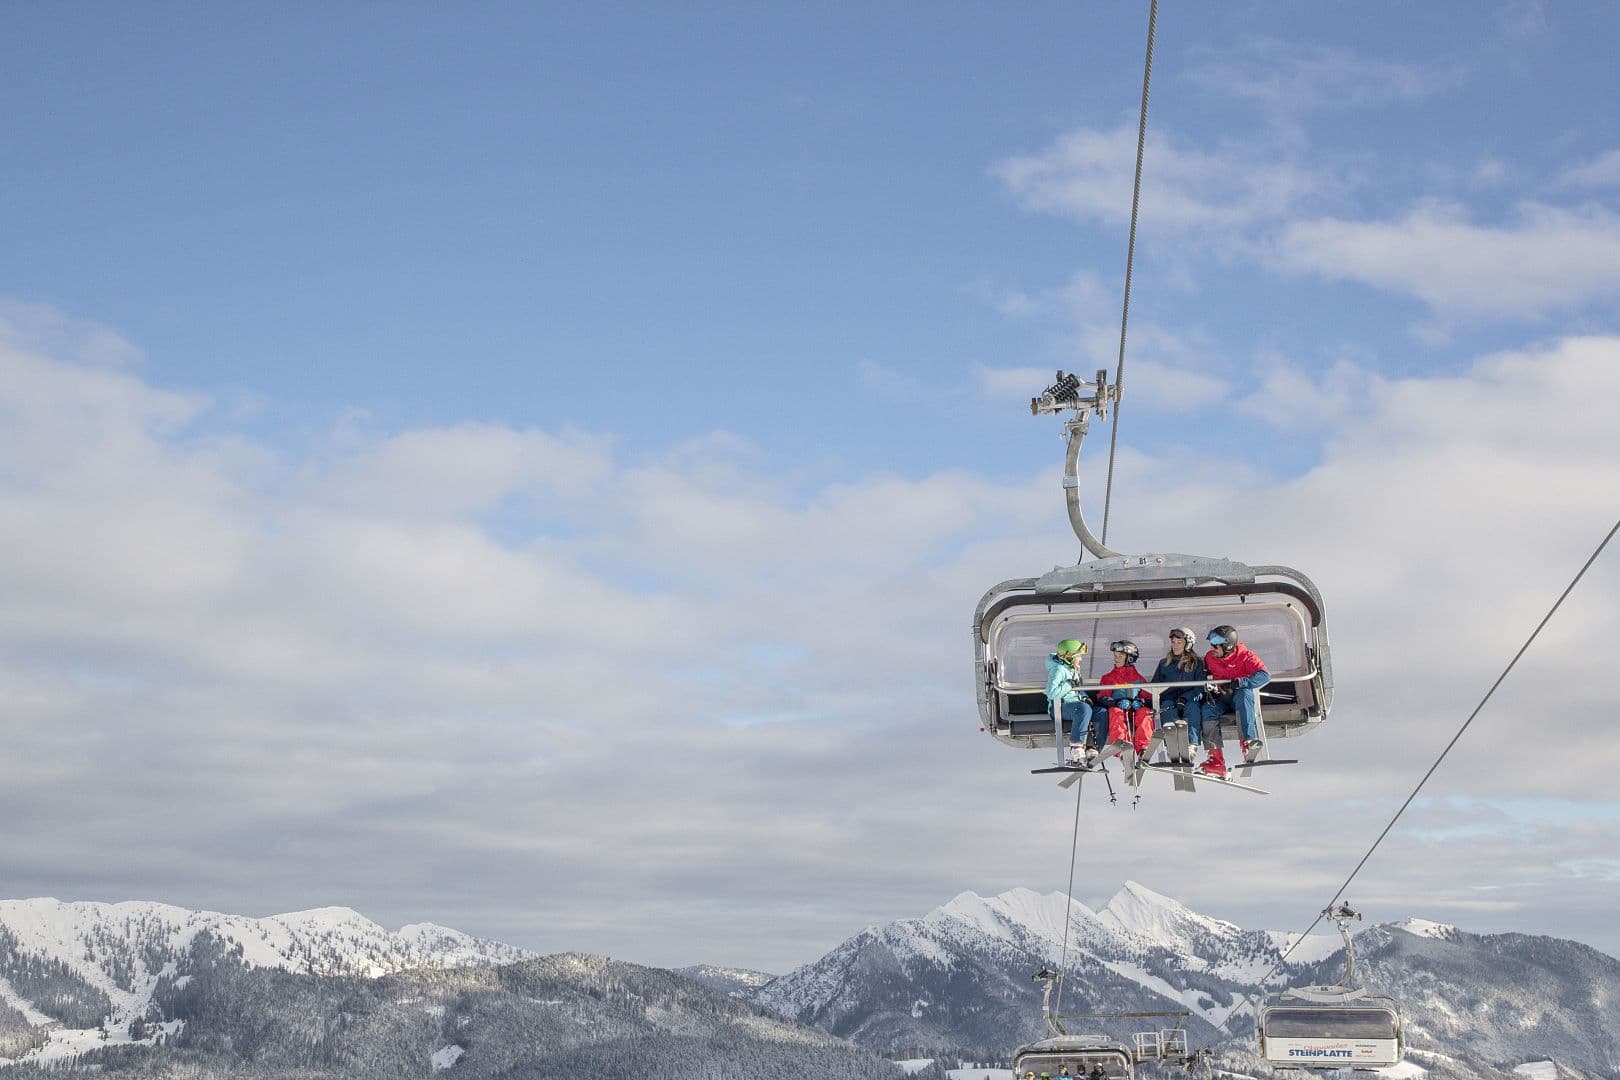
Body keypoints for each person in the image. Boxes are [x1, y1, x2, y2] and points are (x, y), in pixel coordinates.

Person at [1195, 624, 1272, 778]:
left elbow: (1264, 675)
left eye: (1216, 645)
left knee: (1244, 694)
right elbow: (1202, 673)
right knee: (1207, 709)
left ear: (1227, 645)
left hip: (1238, 695)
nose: (1212, 648)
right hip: (1221, 697)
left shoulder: (1246, 656)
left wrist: (1240, 682)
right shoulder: (1210, 658)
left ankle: (1248, 741)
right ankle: (1216, 760)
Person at [1152, 627, 1206, 758]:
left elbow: (1200, 688)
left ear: (1188, 644)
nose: (1175, 645)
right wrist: (1154, 701)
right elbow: (1155, 686)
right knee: (1166, 706)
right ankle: (1172, 744)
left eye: (1179, 642)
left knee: (1193, 708)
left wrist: (1186, 698)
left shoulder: (1197, 664)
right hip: (1170, 699)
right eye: (1173, 642)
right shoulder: (1164, 664)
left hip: (1189, 699)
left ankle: (1191, 744)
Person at [1098, 640, 1152, 761]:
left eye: (1120, 655)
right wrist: (1116, 702)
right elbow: (1102, 697)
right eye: (1115, 655)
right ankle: (1121, 747)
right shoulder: (1108, 678)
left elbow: (1148, 698)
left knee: (1145, 713)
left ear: (1130, 658)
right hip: (1119, 710)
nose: (1116, 658)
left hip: (1135, 711)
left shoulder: (1139, 679)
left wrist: (1142, 702)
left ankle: (1143, 749)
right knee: (1115, 712)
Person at [1045, 639, 1095, 765]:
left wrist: (1085, 697)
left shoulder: (1072, 669)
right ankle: (1076, 749)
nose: (1080, 659)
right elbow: (1051, 693)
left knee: (1101, 712)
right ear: (1070, 657)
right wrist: (1068, 685)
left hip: (1074, 705)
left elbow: (1077, 690)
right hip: (1060, 707)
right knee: (1083, 709)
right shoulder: (1058, 670)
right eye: (1078, 656)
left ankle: (1092, 748)